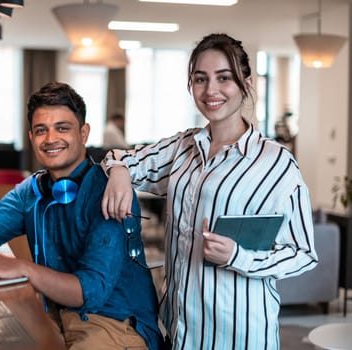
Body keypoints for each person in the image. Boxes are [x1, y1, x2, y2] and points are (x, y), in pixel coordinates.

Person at [100, 33, 318, 349]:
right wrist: (119, 171)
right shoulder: (182, 147)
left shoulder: (276, 163)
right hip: (180, 331)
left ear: (246, 82)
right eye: (200, 79)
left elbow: (303, 253)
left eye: (223, 78)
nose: (210, 90)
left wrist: (238, 256)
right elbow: (119, 157)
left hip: (239, 335)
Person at [0, 82, 163, 350]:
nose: (50, 139)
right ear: (31, 138)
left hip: (115, 324)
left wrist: (22, 268)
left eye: (62, 128)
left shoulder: (110, 190)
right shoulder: (33, 189)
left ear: (83, 133)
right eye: (41, 130)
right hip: (56, 315)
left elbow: (90, 291)